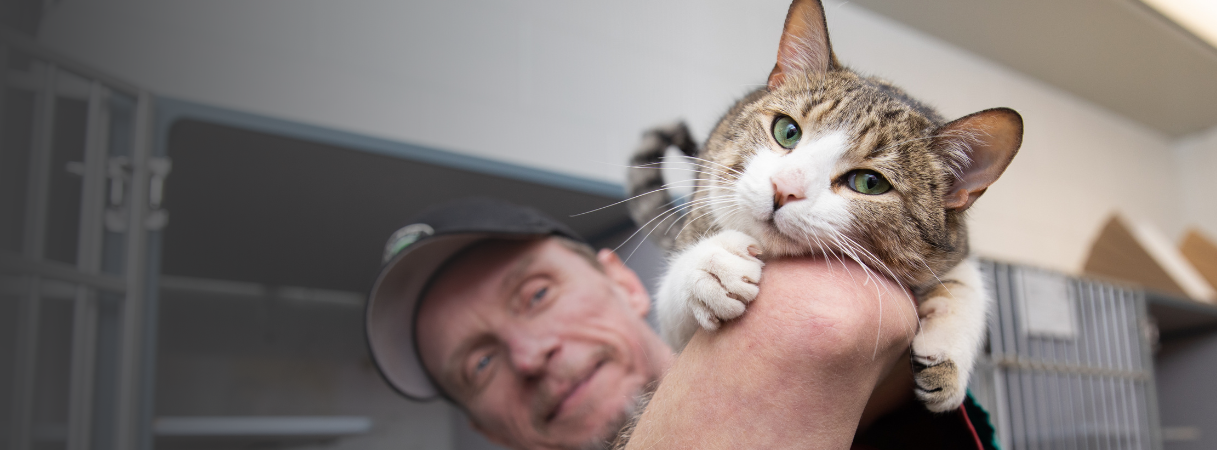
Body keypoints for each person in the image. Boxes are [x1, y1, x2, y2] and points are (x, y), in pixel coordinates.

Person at [365, 198, 998, 449]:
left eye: (534, 294)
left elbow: (832, 315)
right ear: (483, 427)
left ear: (621, 281)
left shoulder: (891, 410)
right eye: (479, 364)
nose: (530, 356)